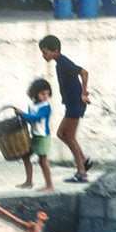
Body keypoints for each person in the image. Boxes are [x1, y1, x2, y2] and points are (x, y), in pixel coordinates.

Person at [38, 34, 93, 183]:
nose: (43, 56)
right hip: (71, 103)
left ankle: (82, 172)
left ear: (55, 51)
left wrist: (83, 92)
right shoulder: (60, 63)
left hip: (75, 103)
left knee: (69, 136)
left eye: (45, 52)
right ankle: (84, 161)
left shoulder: (64, 63)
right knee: (61, 134)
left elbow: (84, 72)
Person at [16, 77, 54, 191]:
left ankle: (49, 185)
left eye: (47, 94)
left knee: (42, 161)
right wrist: (22, 116)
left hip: (43, 137)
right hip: (35, 135)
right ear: (35, 93)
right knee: (26, 156)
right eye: (42, 94)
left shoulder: (46, 107)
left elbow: (36, 118)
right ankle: (29, 182)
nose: (45, 96)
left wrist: (22, 114)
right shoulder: (32, 104)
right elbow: (30, 119)